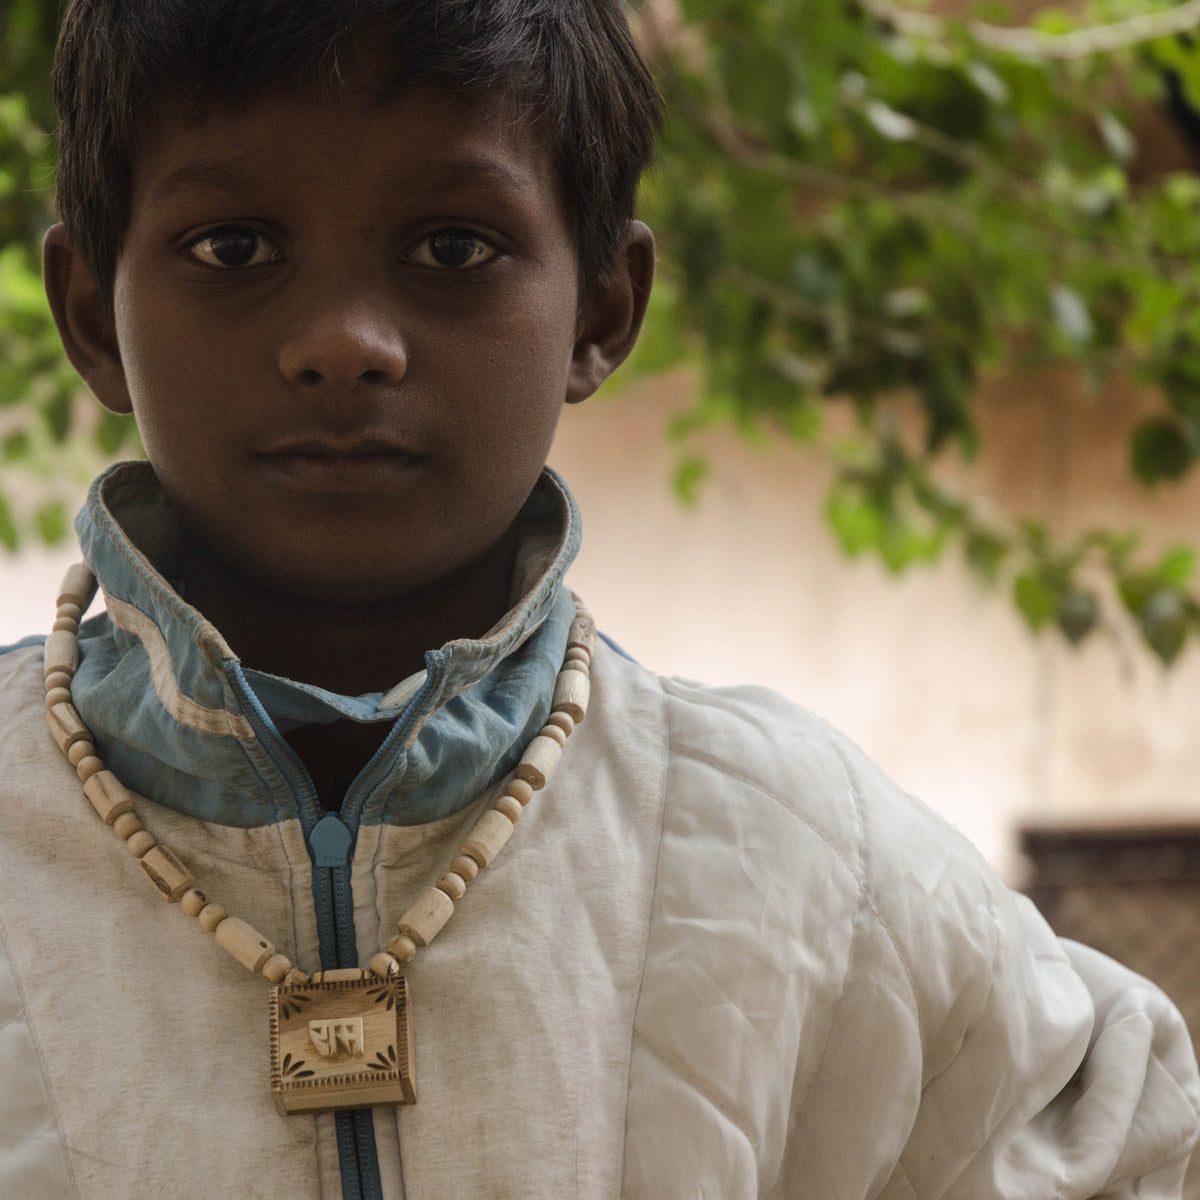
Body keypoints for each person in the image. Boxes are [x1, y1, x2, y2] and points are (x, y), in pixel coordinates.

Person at [0, 0, 1196, 1196]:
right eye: (233, 248)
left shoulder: (814, 862)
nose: (345, 340)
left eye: (452, 248)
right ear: (92, 314)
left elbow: (1119, 1145)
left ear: (603, 309)